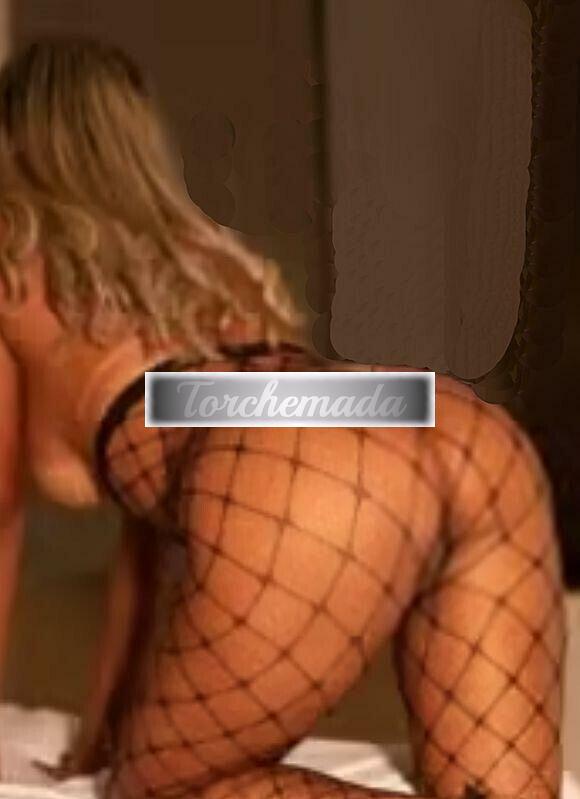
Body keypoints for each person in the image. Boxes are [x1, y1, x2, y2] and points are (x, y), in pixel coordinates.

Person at [0, 36, 565, 799]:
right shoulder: (208, 261)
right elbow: (171, 519)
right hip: (442, 418)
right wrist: (108, 731)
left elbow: (4, 517)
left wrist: (127, 757)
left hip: (284, 451)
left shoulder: (15, 276)